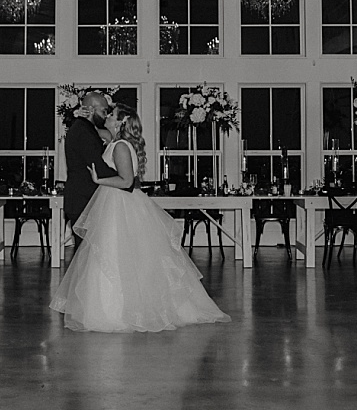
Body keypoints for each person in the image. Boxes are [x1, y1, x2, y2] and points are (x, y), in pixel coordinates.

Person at [50, 105, 230, 332]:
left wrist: (99, 180)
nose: (107, 116)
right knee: (109, 255)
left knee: (118, 256)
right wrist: (81, 117)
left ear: (120, 123)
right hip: (113, 204)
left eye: (111, 115)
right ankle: (105, 309)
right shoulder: (115, 141)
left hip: (120, 204)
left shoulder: (121, 147)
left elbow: (126, 182)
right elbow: (95, 133)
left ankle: (122, 312)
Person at [62, 91, 120, 251]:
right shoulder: (83, 132)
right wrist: (124, 180)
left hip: (83, 198)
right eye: (103, 111)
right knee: (87, 254)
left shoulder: (84, 129)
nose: (105, 116)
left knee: (89, 254)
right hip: (83, 199)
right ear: (92, 110)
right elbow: (97, 167)